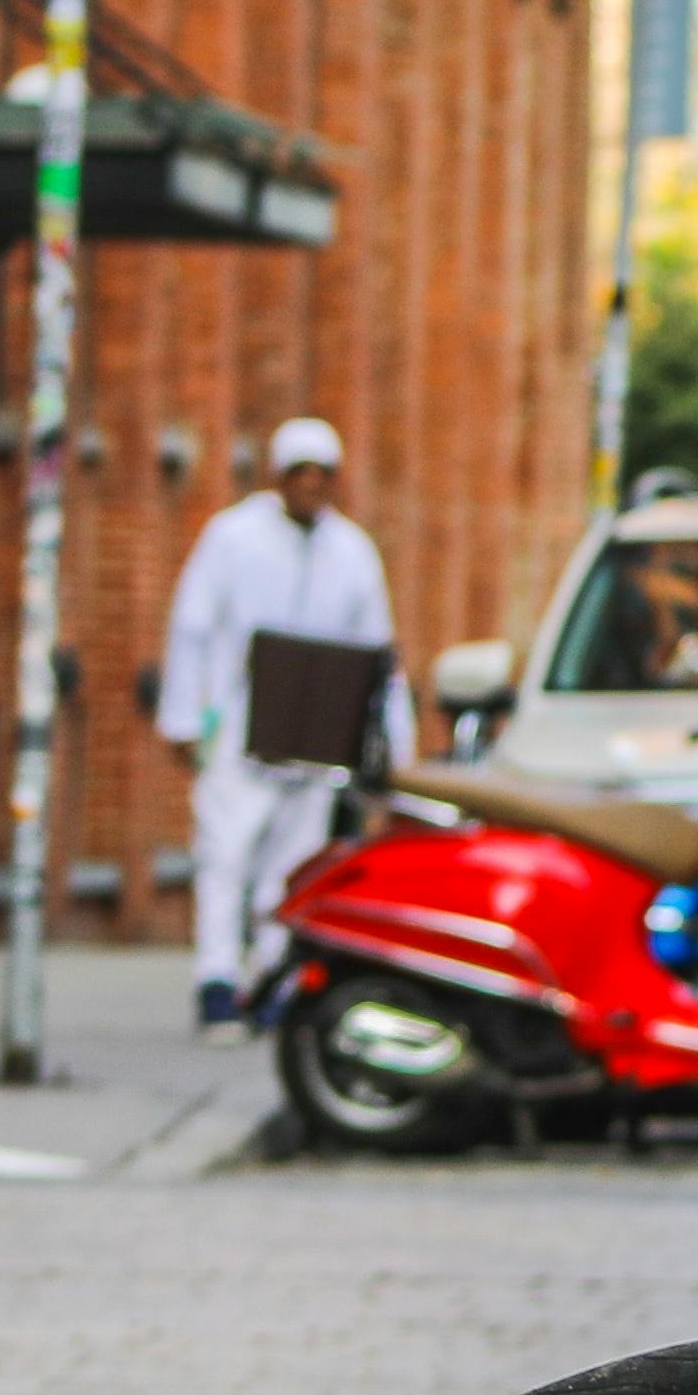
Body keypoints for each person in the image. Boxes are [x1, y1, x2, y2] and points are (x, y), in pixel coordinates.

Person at [158, 416, 404, 1032]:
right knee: (225, 853)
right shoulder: (233, 537)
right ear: (280, 477)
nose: (313, 485)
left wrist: (391, 747)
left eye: (325, 474)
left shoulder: (352, 552)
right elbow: (193, 626)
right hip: (241, 730)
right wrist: (185, 714)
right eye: (302, 473)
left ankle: (272, 980)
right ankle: (217, 979)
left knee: (291, 866)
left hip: (316, 738)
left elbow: (378, 652)